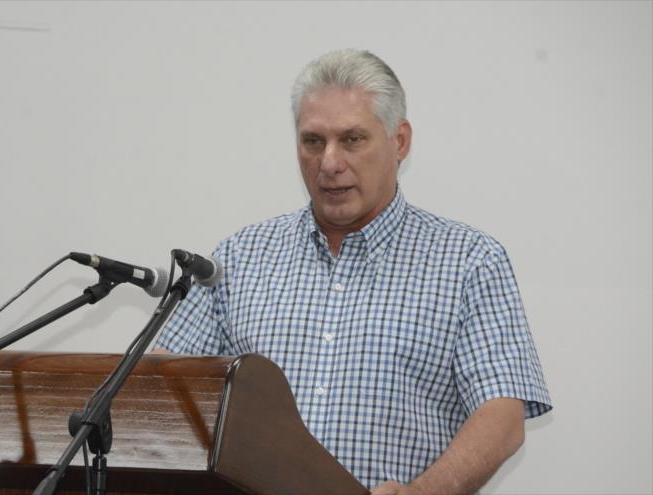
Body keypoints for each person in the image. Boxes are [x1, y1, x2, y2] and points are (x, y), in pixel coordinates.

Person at [154, 49, 551, 494]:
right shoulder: (240, 257)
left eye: (352, 139)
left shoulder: (470, 261)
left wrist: (422, 492)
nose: (329, 162)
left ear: (399, 141)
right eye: (312, 141)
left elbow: (502, 417)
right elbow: (162, 393)